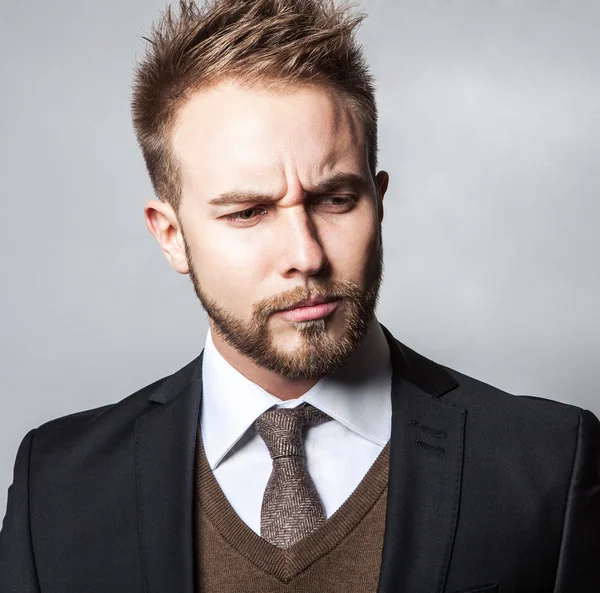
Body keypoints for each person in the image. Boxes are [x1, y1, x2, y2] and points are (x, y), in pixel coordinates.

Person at [1, 0, 599, 591]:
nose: (307, 256)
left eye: (335, 200)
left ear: (379, 200)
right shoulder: (55, 486)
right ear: (172, 236)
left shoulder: (546, 465)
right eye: (248, 212)